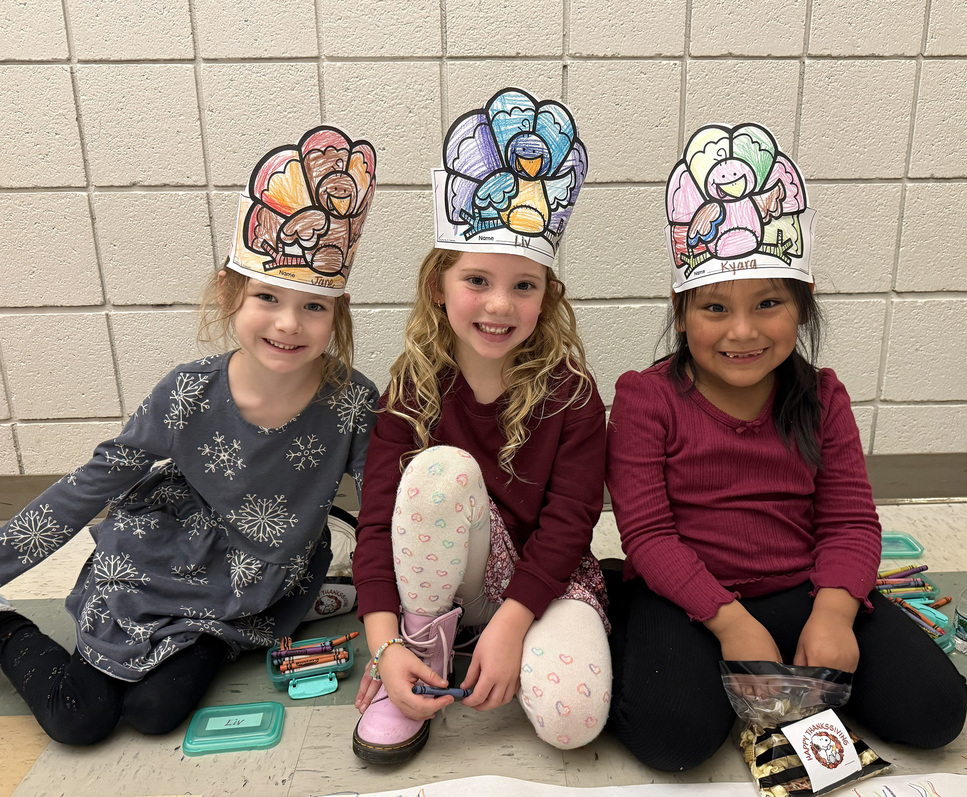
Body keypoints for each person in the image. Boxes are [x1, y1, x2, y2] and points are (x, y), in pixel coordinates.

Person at [604, 122, 967, 771]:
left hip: (802, 585)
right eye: (714, 308)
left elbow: (851, 522)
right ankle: (626, 619)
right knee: (675, 738)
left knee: (937, 711)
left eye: (768, 302)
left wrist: (832, 613)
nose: (742, 331)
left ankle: (800, 667)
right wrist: (729, 623)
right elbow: (651, 536)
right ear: (680, 309)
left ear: (801, 305)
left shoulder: (823, 396)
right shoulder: (645, 398)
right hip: (689, 595)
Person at [0, 125, 380, 745]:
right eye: (268, 296)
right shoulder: (188, 393)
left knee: (154, 714)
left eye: (314, 305)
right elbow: (93, 482)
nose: (289, 323)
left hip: (257, 584)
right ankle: (6, 631)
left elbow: (386, 508)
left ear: (336, 314)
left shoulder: (354, 403)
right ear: (232, 296)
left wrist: (400, 617)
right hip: (159, 560)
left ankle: (227, 631)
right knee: (79, 718)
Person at [350, 88, 611, 764]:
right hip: (444, 585)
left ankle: (493, 638)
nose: (500, 304)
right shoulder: (410, 389)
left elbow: (569, 522)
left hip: (545, 581)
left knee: (571, 719)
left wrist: (516, 621)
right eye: (478, 280)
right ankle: (424, 646)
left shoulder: (574, 394)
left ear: (547, 294)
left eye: (524, 285)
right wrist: (383, 646)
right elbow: (376, 520)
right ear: (439, 284)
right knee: (442, 471)